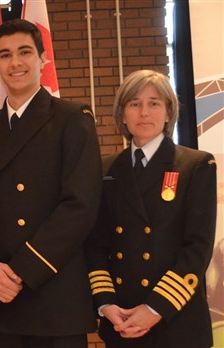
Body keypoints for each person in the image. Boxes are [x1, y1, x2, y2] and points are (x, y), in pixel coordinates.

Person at [0, 19, 102, 347]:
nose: (15, 62)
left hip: (52, 293)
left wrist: (21, 271)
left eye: (25, 52)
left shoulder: (73, 119)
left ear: (42, 59)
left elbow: (80, 206)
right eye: (5, 55)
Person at [85, 69, 217, 347]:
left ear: (168, 113)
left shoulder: (195, 165)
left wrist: (154, 309)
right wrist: (106, 304)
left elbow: (197, 249)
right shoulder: (105, 169)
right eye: (134, 104)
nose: (144, 112)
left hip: (175, 320)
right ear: (122, 115)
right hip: (122, 319)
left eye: (154, 103)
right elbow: (96, 245)